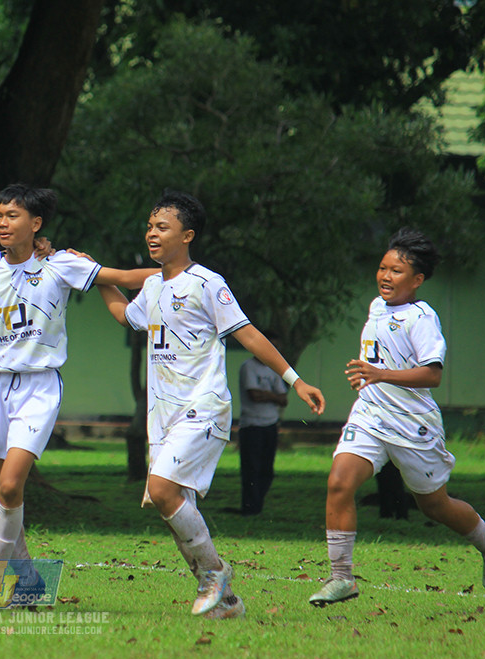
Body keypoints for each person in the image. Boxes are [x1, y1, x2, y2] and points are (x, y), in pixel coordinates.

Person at [95, 189, 325, 620]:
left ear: (188, 235)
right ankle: (228, 603)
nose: (151, 233)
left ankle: (214, 574)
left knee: (163, 490)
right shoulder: (151, 286)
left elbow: (248, 334)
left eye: (162, 227)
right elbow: (125, 316)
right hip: (161, 417)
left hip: (203, 406)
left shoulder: (207, 283)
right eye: (149, 226)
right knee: (172, 506)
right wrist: (93, 275)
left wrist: (295, 380)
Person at [0, 184, 158, 609]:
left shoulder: (59, 265)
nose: (3, 223)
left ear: (36, 224)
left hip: (39, 386)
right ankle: (28, 580)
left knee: (9, 485)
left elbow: (123, 278)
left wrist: (177, 270)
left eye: (13, 216)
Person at [309, 228, 485, 606]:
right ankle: (341, 579)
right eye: (383, 268)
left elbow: (432, 374)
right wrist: (374, 379)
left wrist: (379, 373)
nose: (385, 276)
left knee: (434, 506)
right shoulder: (377, 306)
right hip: (370, 415)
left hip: (413, 424)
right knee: (339, 483)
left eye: (396, 271)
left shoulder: (422, 318)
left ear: (417, 280)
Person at [237, 333, 289, 516]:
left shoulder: (274, 369)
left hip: (270, 424)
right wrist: (273, 396)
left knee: (267, 469)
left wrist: (267, 396)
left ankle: (257, 504)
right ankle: (250, 506)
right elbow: (254, 395)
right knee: (251, 468)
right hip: (252, 424)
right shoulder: (248, 367)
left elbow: (284, 399)